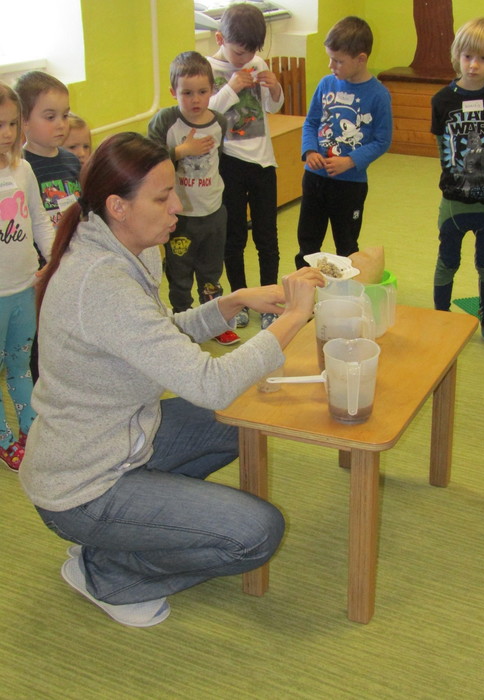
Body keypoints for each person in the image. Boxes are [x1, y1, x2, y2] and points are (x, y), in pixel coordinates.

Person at [18, 132, 324, 628]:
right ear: (118, 206)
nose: (177, 207)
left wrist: (231, 302)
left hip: (123, 439)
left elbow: (155, 336)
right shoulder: (100, 280)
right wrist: (292, 319)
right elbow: (209, 383)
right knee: (257, 533)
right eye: (163, 198)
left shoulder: (123, 244)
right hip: (83, 486)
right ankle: (109, 574)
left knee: (242, 419)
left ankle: (130, 533)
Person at [148, 51, 239, 346]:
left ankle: (214, 321)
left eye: (202, 92)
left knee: (211, 271)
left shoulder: (219, 122)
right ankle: (183, 321)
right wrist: (181, 152)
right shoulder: (166, 121)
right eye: (186, 93)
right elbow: (148, 161)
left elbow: (217, 161)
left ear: (212, 90)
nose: (195, 99)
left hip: (212, 213)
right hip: (180, 216)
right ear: (173, 92)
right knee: (180, 271)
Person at [431, 18, 484, 353]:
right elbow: (441, 148)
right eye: (467, 57)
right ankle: (440, 320)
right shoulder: (442, 100)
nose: (474, 65)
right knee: (447, 261)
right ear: (457, 56)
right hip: (454, 202)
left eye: (483, 58)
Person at [207, 2, 284, 330]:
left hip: (263, 162)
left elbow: (273, 107)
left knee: (267, 236)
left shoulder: (257, 62)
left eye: (251, 52)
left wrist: (275, 87)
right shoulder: (208, 68)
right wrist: (232, 87)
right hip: (229, 164)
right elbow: (207, 113)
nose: (245, 59)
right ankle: (239, 299)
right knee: (234, 236)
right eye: (239, 52)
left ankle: (270, 302)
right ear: (219, 39)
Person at [294, 16, 392, 269]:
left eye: (338, 61)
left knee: (347, 245)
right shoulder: (326, 84)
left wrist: (350, 161)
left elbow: (382, 140)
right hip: (315, 178)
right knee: (307, 243)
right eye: (330, 58)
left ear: (361, 59)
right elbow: (311, 122)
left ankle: (346, 290)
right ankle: (305, 288)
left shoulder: (379, 95)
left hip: (350, 184)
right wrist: (310, 151)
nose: (331, 66)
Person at [0, 82, 54, 472]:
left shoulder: (23, 169)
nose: (6, 133)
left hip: (24, 289)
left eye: (12, 123)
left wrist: (56, 259)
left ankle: (31, 429)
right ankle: (4, 440)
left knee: (20, 365)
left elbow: (39, 221)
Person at [15, 71, 82, 382]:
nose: (61, 124)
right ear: (24, 121)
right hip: (39, 270)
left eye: (64, 115)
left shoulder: (70, 160)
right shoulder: (19, 167)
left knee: (71, 333)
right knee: (40, 340)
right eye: (50, 116)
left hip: (71, 261)